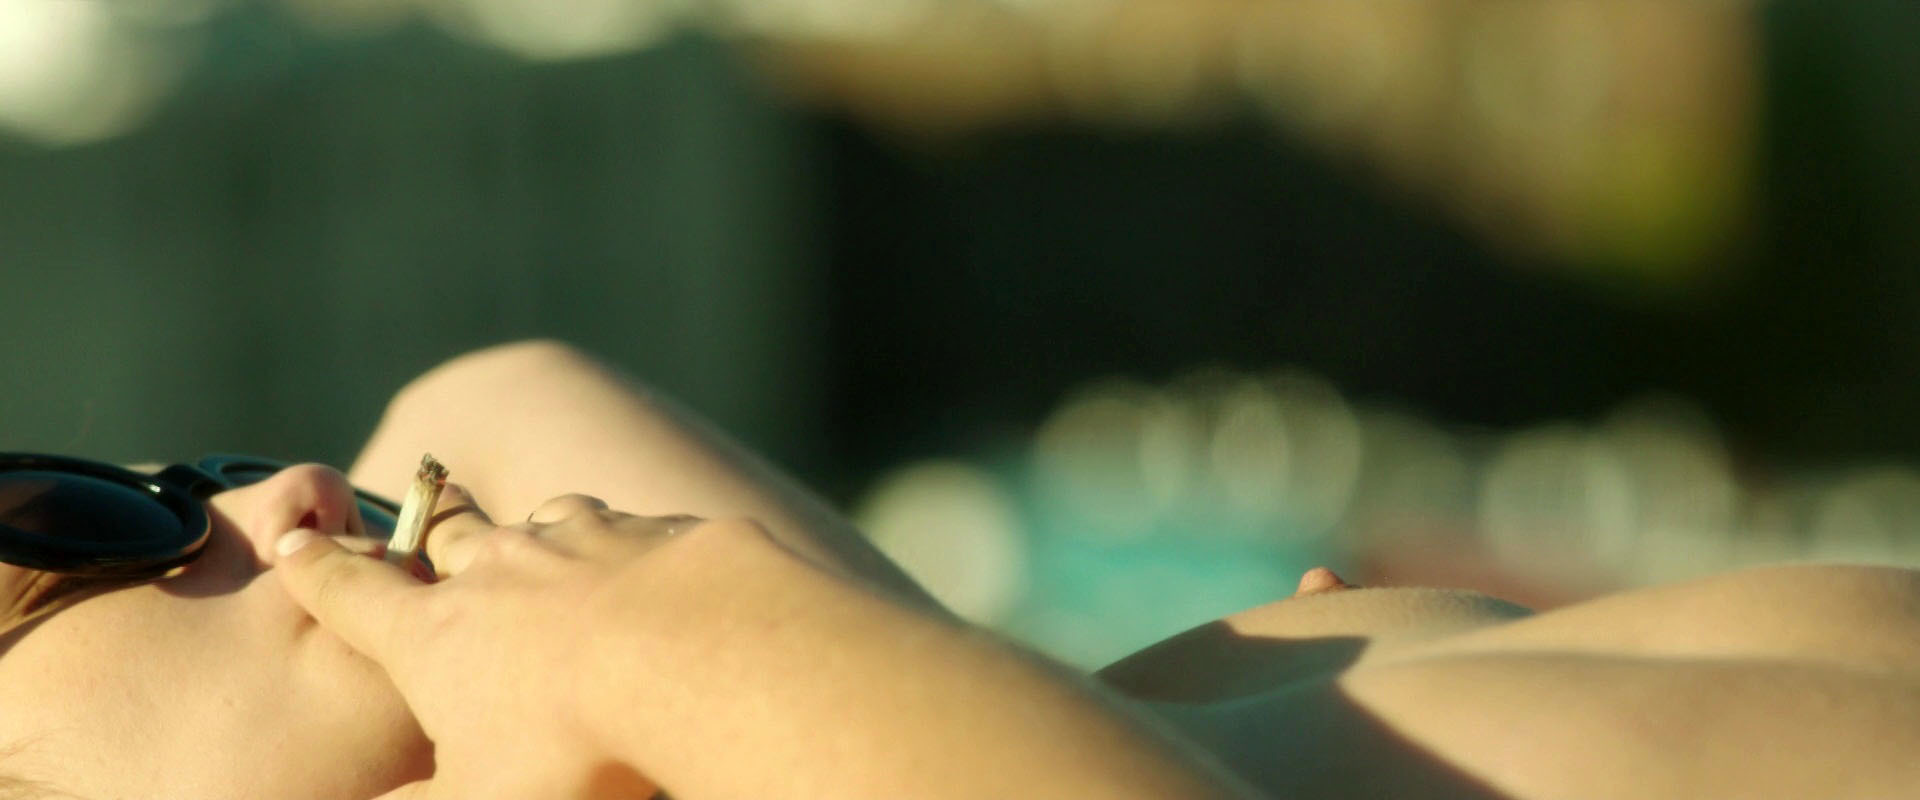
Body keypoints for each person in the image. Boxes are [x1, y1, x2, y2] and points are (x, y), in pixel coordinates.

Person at [3, 340, 1919, 799]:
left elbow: (495, 398)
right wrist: (666, 645)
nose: (288, 489)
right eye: (76, 525)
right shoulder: (703, 667)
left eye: (205, 476)